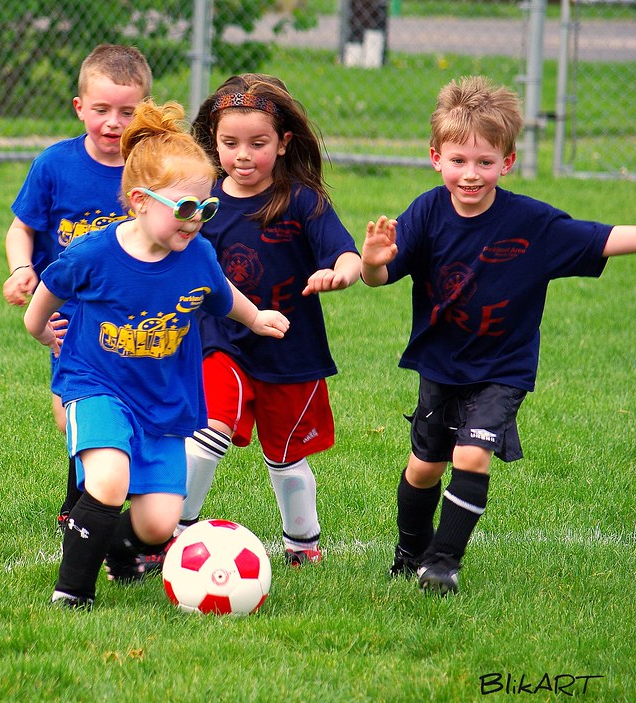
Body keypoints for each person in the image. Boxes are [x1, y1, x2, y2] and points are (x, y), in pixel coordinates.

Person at [361, 75, 636, 594]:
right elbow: (377, 278)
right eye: (459, 161)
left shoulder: (531, 223)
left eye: (484, 162)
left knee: (471, 455)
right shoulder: (425, 212)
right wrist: (374, 263)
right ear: (436, 157)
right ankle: (409, 551)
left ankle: (443, 563)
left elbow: (602, 237)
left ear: (506, 163)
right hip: (441, 364)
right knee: (424, 467)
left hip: (502, 369)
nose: (471, 174)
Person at [23, 99, 290, 609]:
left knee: (159, 522)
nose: (197, 222)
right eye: (186, 209)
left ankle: (123, 554)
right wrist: (41, 332)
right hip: (95, 384)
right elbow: (46, 297)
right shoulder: (93, 254)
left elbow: (221, 293)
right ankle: (73, 591)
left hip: (163, 403)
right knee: (107, 478)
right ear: (140, 201)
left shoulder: (197, 257)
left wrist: (255, 317)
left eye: (206, 209)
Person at [174, 74, 361, 567]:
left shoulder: (303, 200)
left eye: (257, 143)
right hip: (220, 338)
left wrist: (342, 274)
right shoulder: (204, 201)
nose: (242, 155)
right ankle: (173, 534)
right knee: (209, 428)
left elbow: (347, 255)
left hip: (289, 350)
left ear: (283, 143)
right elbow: (172, 251)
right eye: (229, 143)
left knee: (285, 458)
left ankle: (302, 546)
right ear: (213, 144)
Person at [3, 45, 152, 532]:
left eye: (128, 113)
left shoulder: (150, 172)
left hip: (137, 317)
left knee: (132, 411)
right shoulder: (55, 165)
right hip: (69, 319)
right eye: (102, 110)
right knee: (73, 417)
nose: (113, 123)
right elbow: (21, 227)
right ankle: (90, 498)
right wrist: (22, 267)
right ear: (79, 107)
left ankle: (95, 508)